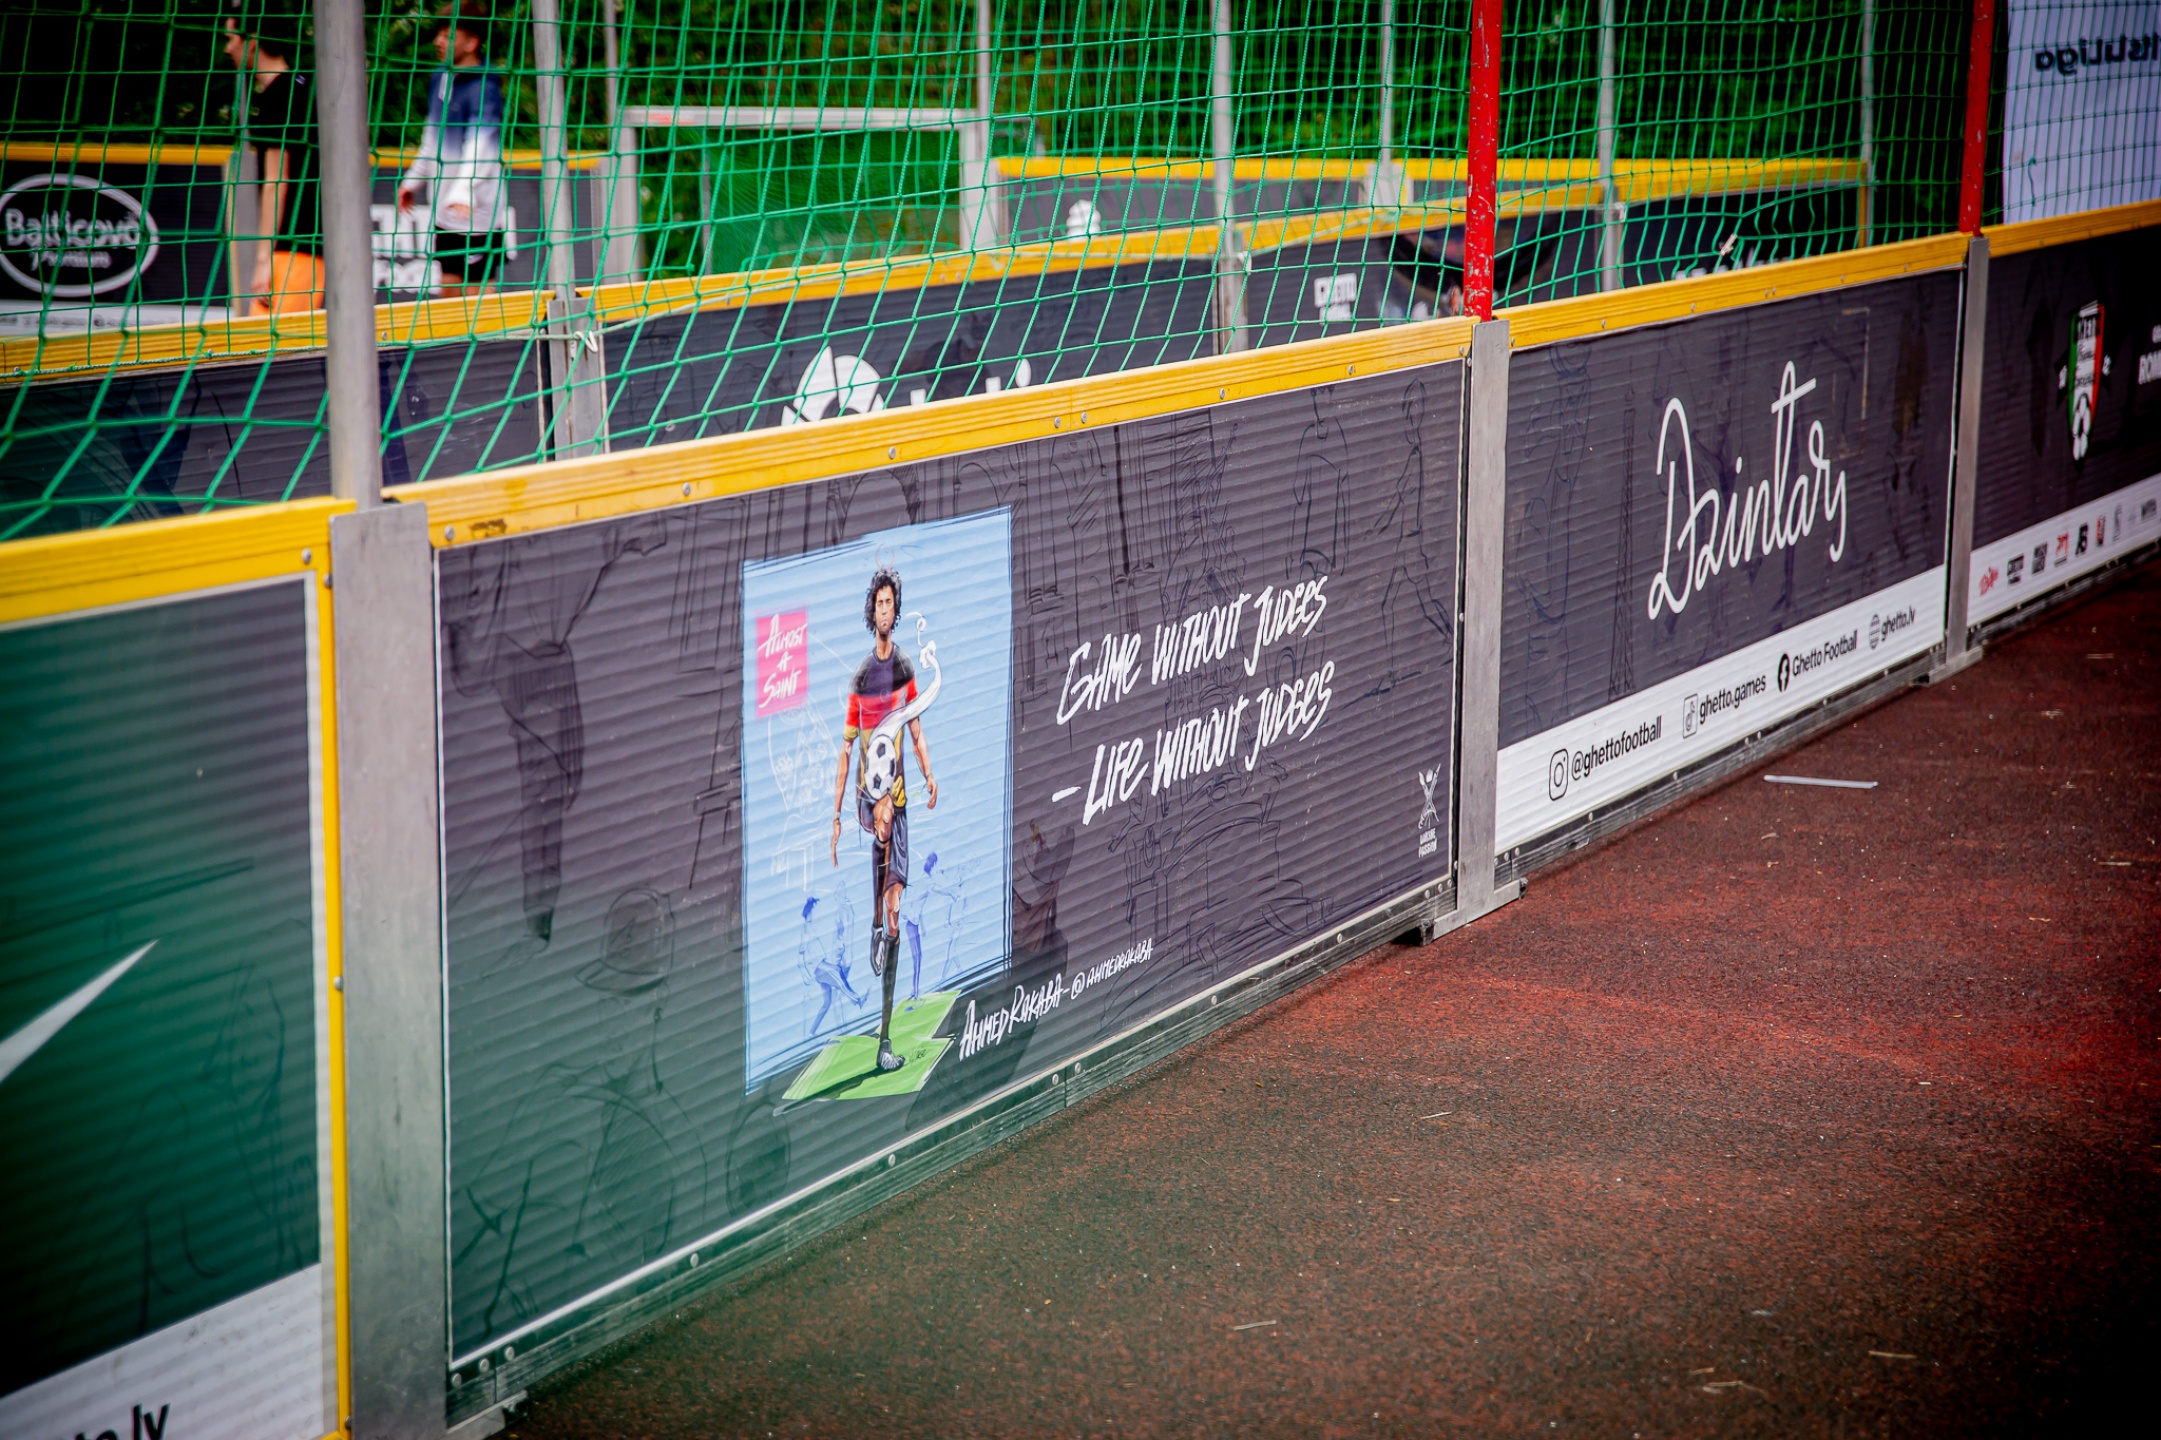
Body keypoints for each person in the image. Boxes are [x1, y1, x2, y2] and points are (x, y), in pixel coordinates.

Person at [829, 567, 938, 1073]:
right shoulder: (859, 680)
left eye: (892, 603)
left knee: (896, 912)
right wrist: (837, 815)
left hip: (898, 800)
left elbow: (914, 731)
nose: (886, 611)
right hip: (869, 800)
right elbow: (846, 752)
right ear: (871, 612)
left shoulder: (905, 669)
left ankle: (885, 1041)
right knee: (884, 829)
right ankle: (876, 921)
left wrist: (928, 774)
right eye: (880, 604)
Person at [397, 2, 509, 299]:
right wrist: (413, 180)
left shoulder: (485, 87)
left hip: (477, 214)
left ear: (471, 43)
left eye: (448, 36)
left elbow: (481, 147)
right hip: (446, 213)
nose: (439, 41)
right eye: (439, 34)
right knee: (448, 294)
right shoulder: (441, 77)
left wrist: (463, 190)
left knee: (477, 302)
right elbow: (432, 138)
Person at [224, 2, 322, 314]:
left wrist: (263, 259)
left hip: (295, 252)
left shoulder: (279, 97)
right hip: (310, 248)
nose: (227, 49)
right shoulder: (302, 86)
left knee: (272, 341)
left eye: (231, 39)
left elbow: (276, 182)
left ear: (252, 42)